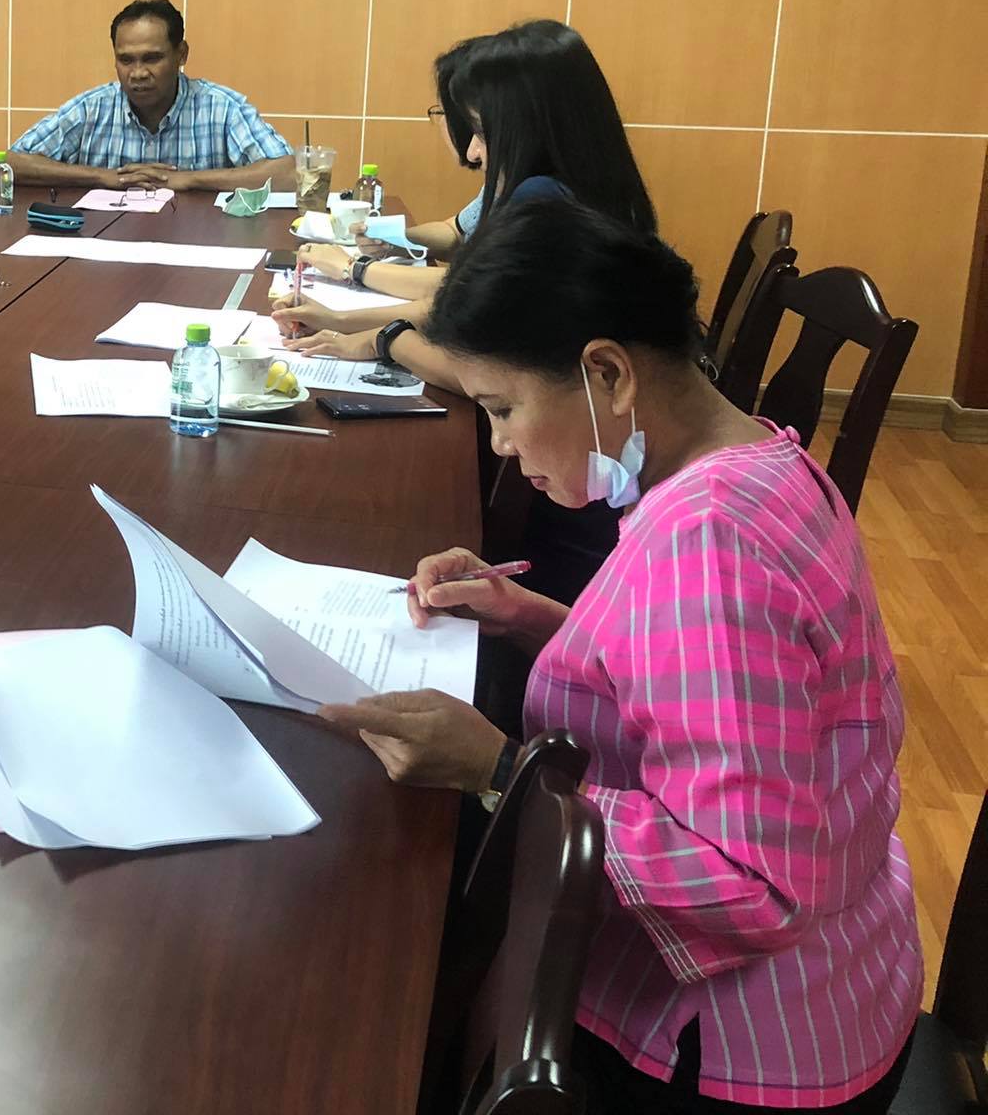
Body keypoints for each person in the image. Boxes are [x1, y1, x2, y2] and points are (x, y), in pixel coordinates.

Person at [318, 199, 919, 1115]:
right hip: (847, 972)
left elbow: (748, 885)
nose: (502, 444)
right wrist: (530, 616)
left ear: (607, 373)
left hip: (737, 1051)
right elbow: (692, 674)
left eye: (505, 408)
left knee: (376, 975)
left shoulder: (711, 544)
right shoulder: (758, 457)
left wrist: (498, 770)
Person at [276, 20, 655, 364]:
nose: (472, 151)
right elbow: (461, 266)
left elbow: (459, 305)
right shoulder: (569, 177)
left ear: (528, 125)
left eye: (481, 131)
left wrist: (358, 290)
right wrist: (342, 318)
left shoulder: (544, 202)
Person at [7, 0, 292, 192]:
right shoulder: (91, 108)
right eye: (126, 60)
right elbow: (9, 164)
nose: (138, 73)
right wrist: (104, 176)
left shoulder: (221, 108)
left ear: (181, 54)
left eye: (152, 58)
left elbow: (288, 174)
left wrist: (188, 180)